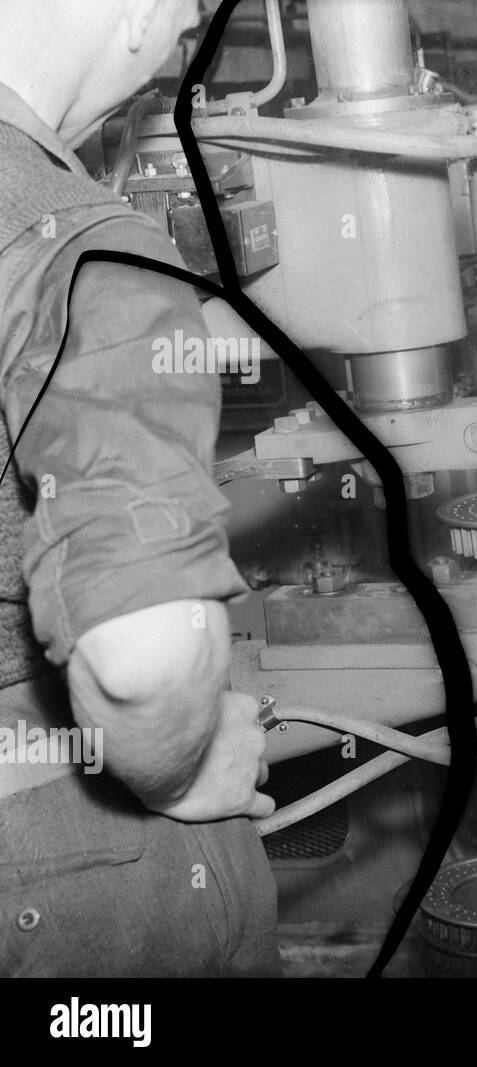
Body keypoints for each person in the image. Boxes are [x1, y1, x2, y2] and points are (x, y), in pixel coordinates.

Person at [0, 0, 279, 976]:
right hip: (59, 878)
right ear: (136, 16)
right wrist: (174, 763)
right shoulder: (83, 249)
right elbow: (142, 662)